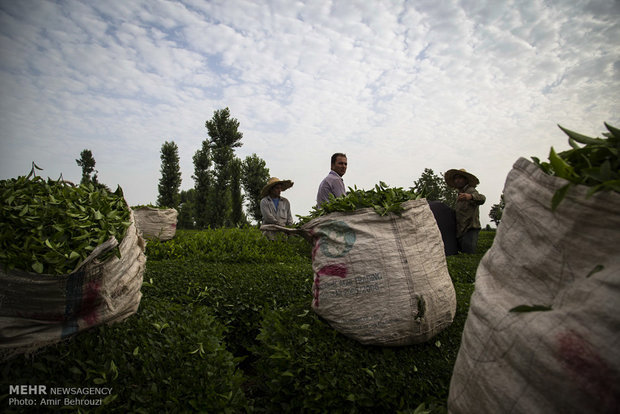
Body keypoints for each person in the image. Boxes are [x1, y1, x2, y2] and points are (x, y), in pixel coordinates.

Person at [444, 168, 486, 254]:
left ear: (465, 180)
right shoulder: (460, 194)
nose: (457, 180)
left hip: (470, 228)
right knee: (461, 253)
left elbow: (482, 198)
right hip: (461, 229)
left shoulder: (470, 190)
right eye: (455, 179)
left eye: (460, 178)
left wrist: (471, 197)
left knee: (468, 254)